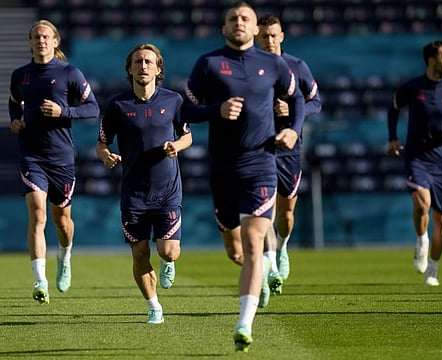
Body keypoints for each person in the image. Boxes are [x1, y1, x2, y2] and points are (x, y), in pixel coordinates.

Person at [181, 1, 305, 352]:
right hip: (222, 168)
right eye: (232, 18)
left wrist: (293, 130)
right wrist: (214, 110)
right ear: (224, 28)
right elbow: (185, 108)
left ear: (255, 29)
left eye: (245, 18)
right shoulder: (207, 64)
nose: (239, 22)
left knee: (253, 243)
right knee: (236, 251)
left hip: (261, 165)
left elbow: (297, 100)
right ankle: (261, 274)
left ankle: (244, 324)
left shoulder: (274, 63)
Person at [96, 43, 191, 324]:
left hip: (167, 191)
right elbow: (102, 143)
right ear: (130, 68)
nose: (143, 66)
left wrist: (176, 145)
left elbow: (188, 136)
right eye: (138, 62)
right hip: (134, 193)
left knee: (168, 250)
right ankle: (154, 307)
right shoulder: (117, 105)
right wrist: (106, 156)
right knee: (139, 253)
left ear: (158, 68)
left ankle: (168, 262)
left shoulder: (173, 101)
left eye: (149, 61)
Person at [9, 19, 100, 304]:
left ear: (55, 41)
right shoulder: (21, 75)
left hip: (61, 157)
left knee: (62, 221)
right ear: (30, 42)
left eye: (46, 37)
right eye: (36, 37)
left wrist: (63, 110)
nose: (41, 41)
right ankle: (40, 281)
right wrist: (16, 119)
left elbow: (92, 108)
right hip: (31, 155)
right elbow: (15, 102)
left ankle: (65, 255)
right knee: (38, 214)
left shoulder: (69, 73)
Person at [387, 40, 442, 286]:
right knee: (422, 203)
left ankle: (433, 270)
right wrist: (393, 138)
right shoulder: (414, 87)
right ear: (432, 60)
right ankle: (421, 239)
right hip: (417, 158)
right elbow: (394, 107)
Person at [256, 14, 322, 303]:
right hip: (258, 148)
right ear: (256, 38)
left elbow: (316, 102)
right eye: (264, 36)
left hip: (290, 150)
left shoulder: (297, 66)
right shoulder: (250, 67)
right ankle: (270, 267)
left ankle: (282, 247)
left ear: (281, 36)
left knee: (285, 213)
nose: (269, 41)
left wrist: (294, 113)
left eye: (274, 35)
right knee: (265, 211)